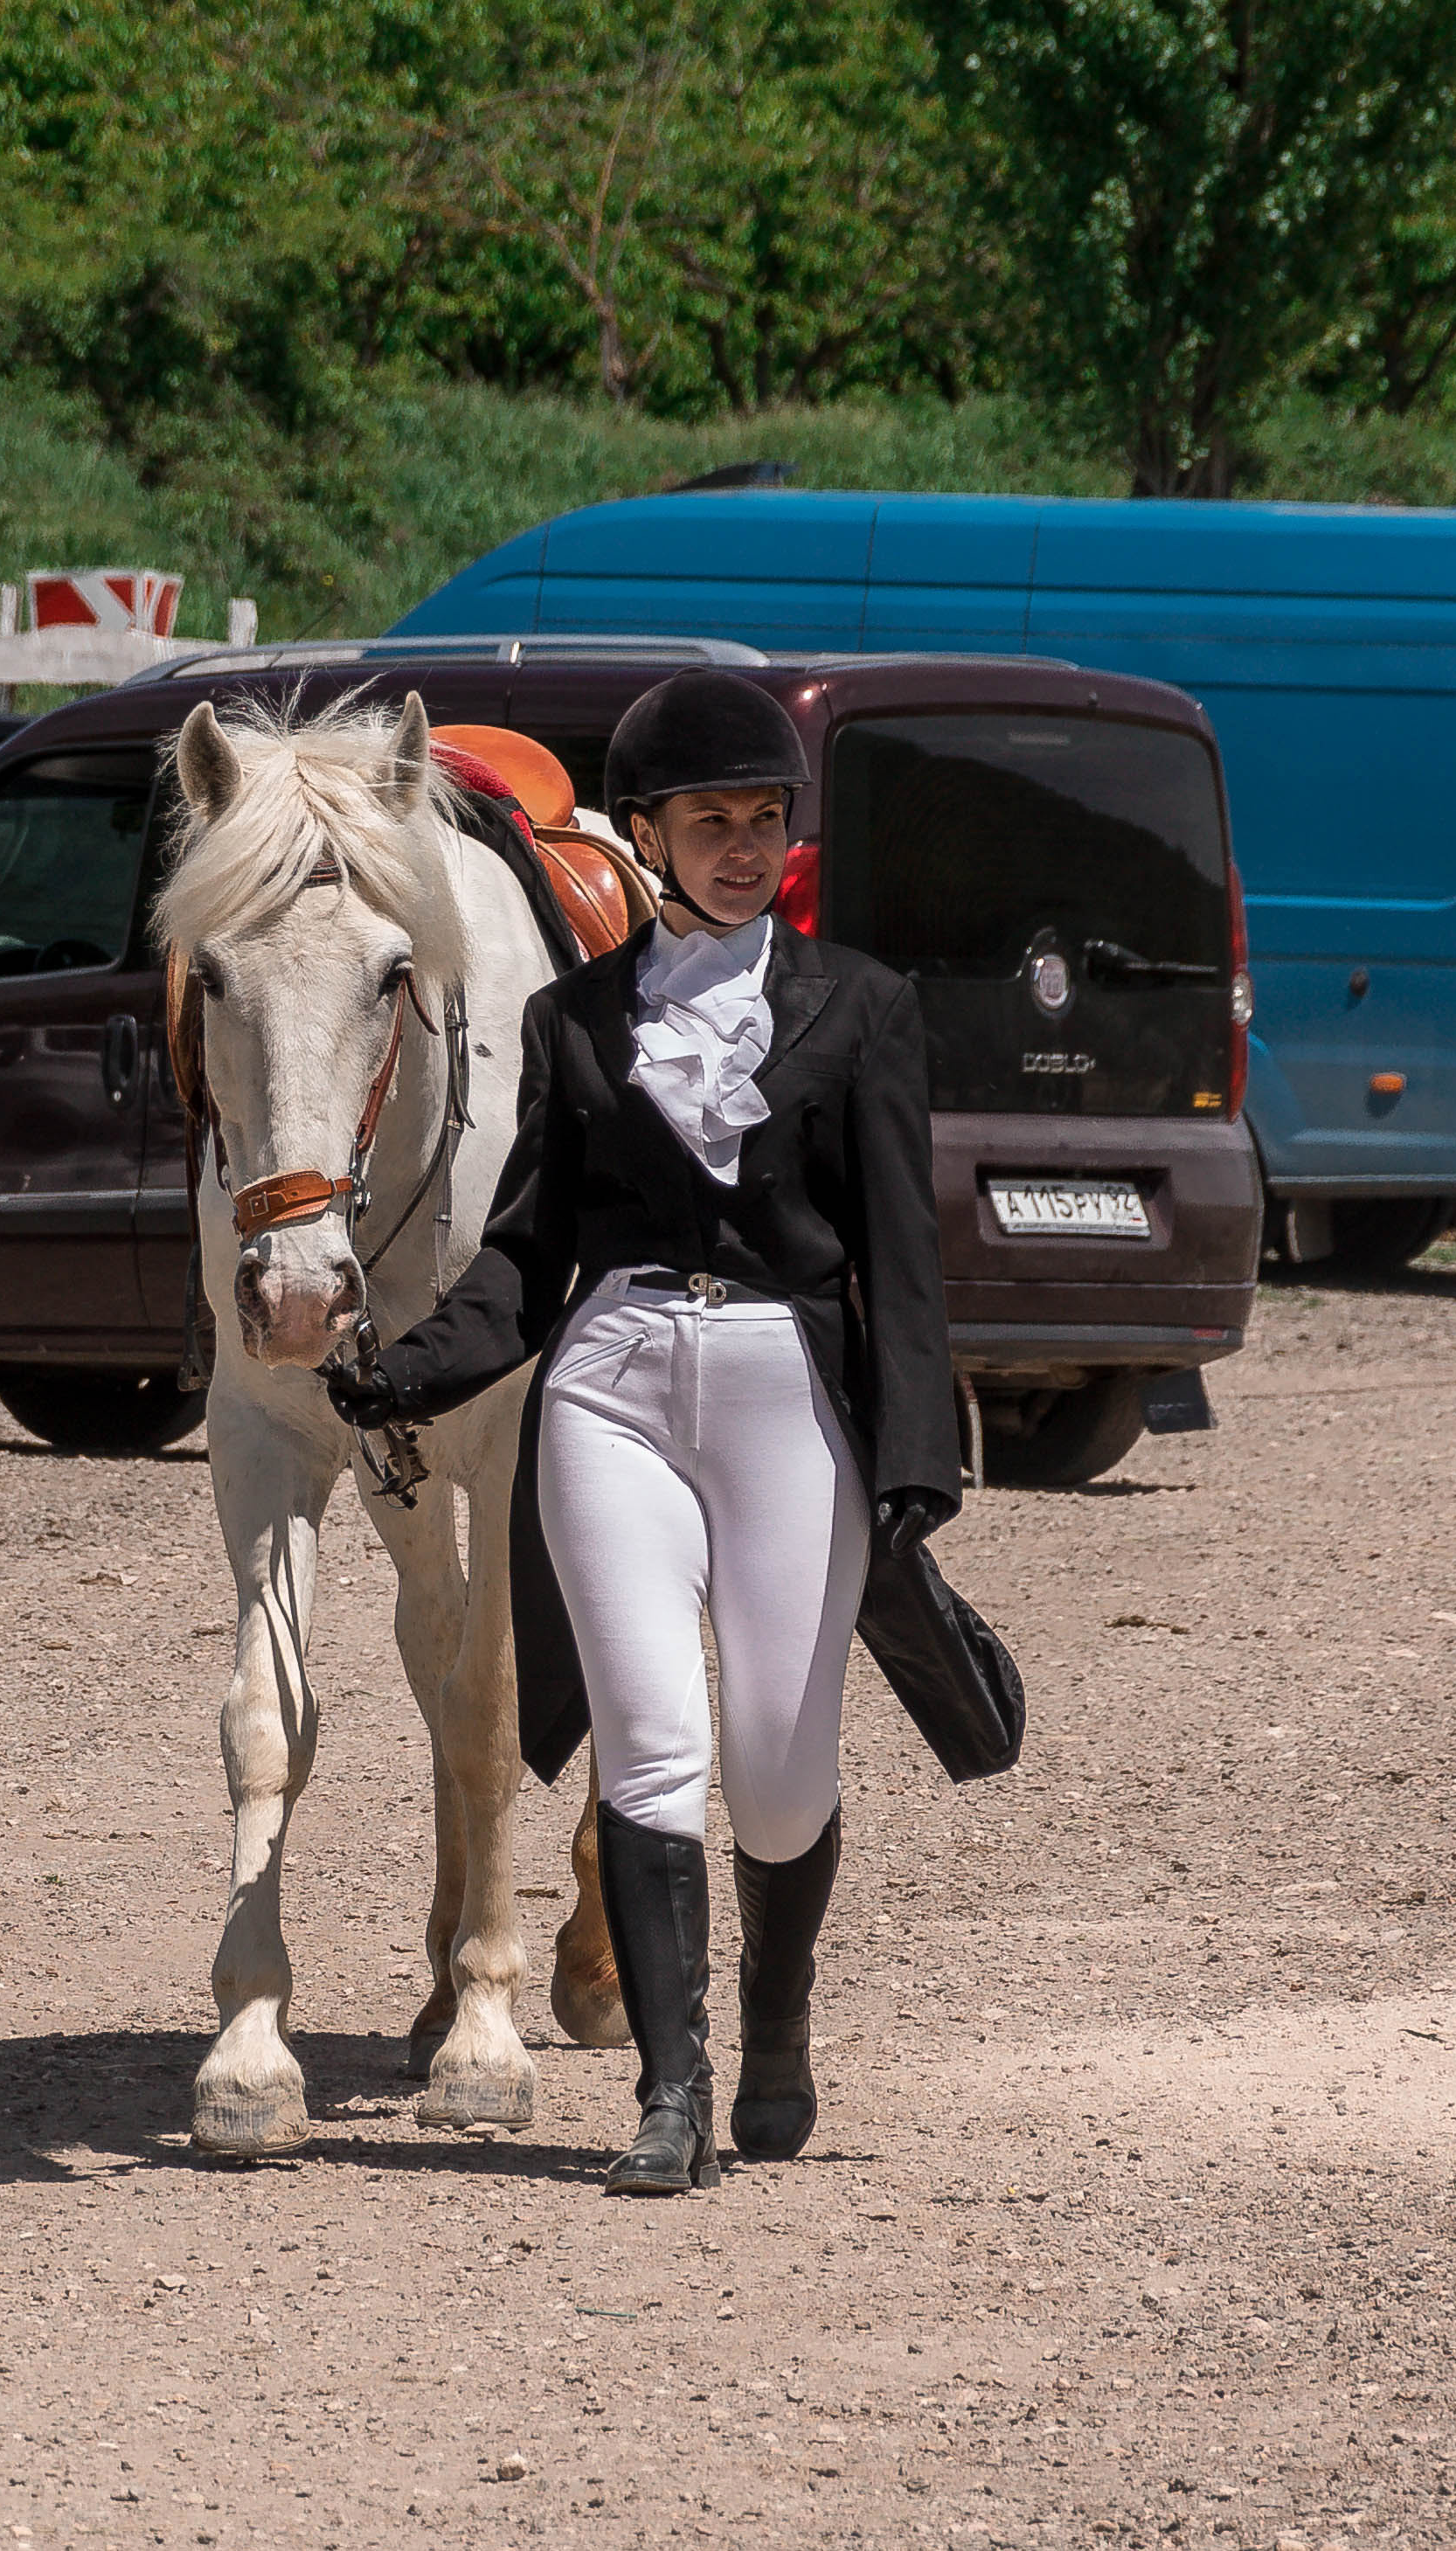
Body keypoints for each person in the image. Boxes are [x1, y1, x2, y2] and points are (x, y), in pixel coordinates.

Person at [324, 669, 962, 2195]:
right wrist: (402, 1371)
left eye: (762, 822)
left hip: (782, 1392)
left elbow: (903, 1258)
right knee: (653, 1742)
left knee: (777, 1772)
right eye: (710, 823)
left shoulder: (862, 1009)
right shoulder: (571, 1021)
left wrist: (915, 1460)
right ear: (647, 836)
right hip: (610, 1387)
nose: (742, 847)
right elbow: (529, 1253)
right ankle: (669, 2094)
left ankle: (778, 2019)